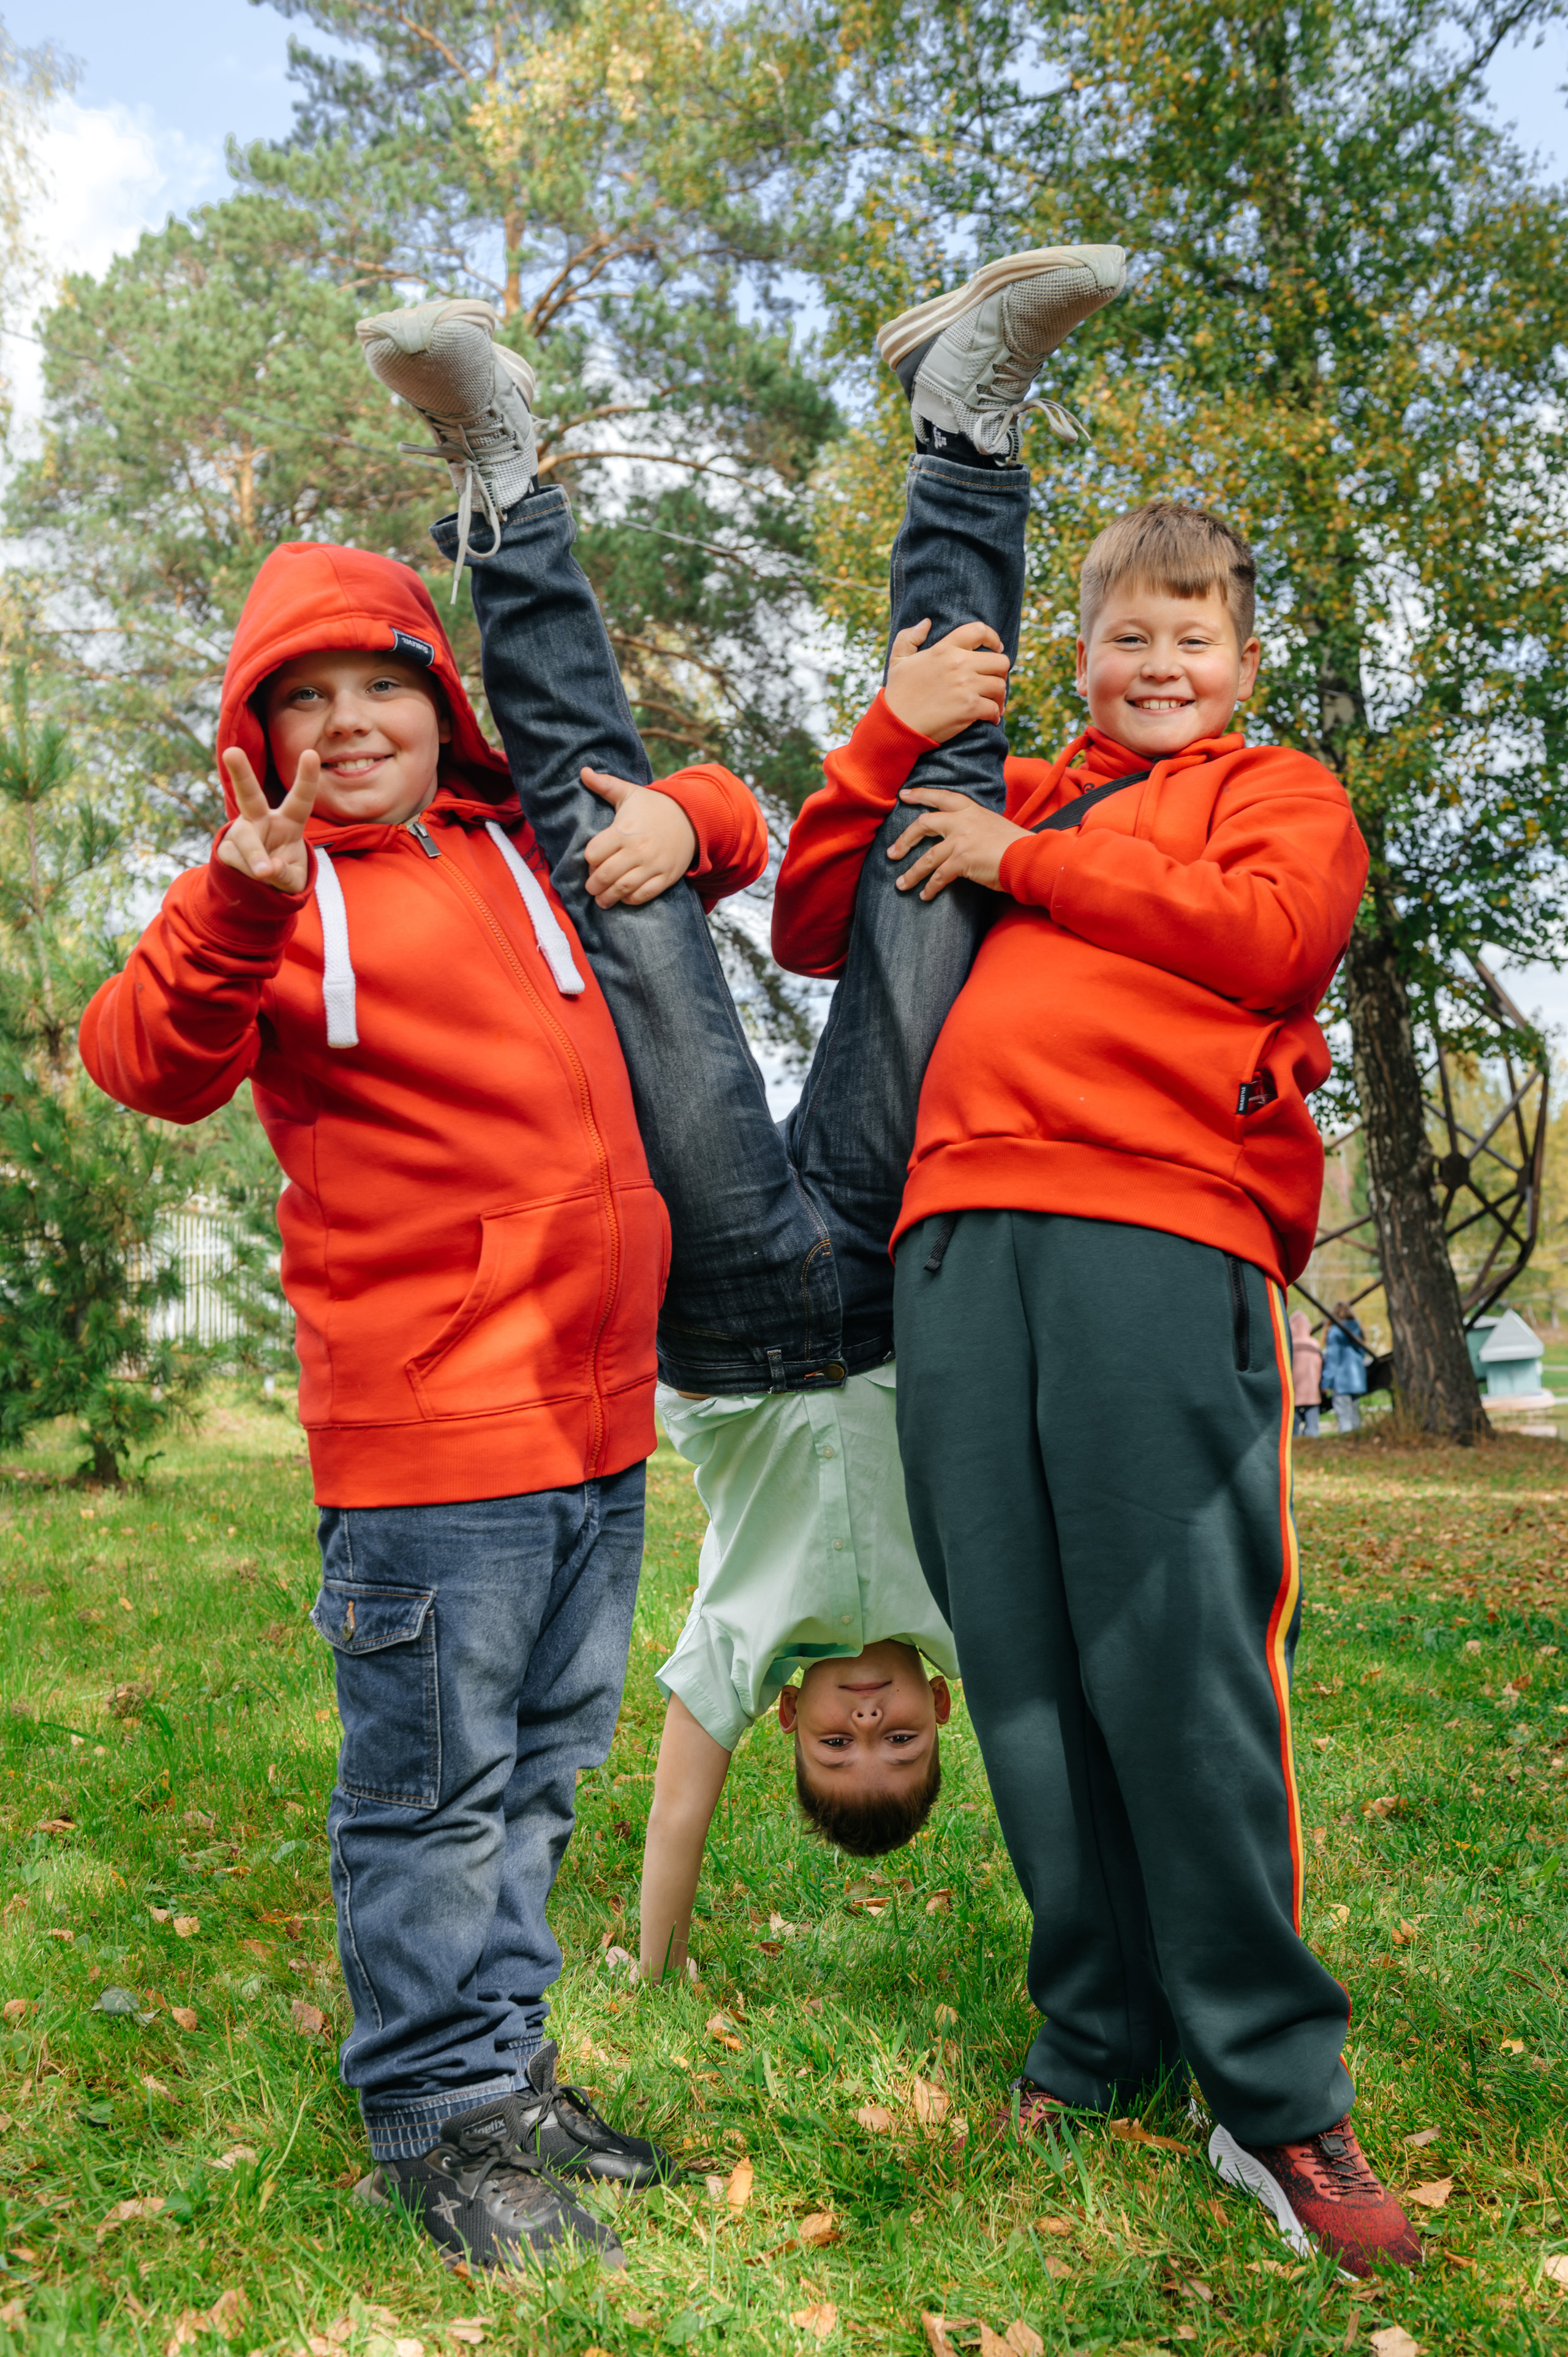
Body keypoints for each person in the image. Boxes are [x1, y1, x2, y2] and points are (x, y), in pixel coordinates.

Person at [77, 303, 778, 2272]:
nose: (343, 727)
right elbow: (138, 1058)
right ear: (258, 742)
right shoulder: (265, 904)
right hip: (427, 1437)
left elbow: (713, 820)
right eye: (296, 705)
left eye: (373, 687)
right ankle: (431, 2117)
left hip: (586, 1412)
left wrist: (689, 819)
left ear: (432, 700)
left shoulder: (519, 851)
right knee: (433, 1791)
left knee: (543, 1777)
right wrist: (236, 900)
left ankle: (504, 2061)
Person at [356, 271, 1134, 1986]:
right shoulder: (972, 1627)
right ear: (942, 1717)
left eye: (839, 1749)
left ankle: (502, 487)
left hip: (722, 1306)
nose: (868, 1725)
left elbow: (677, 1812)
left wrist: (650, 1964)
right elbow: (1053, 1772)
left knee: (622, 879)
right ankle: (966, 438)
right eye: (900, 1746)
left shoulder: (736, 1646)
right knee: (946, 848)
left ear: (790, 1721)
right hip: (886, 1261)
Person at [771, 249, 1422, 2279]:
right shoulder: (1018, 778)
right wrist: (902, 734)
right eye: (1126, 633)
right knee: (1034, 1673)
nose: (1157, 663)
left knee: (1175, 1660)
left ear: (1240, 654)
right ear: (1087, 647)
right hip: (961, 1240)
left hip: (1160, 1230)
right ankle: (1100, 2023)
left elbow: (1269, 945)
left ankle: (1276, 2098)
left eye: (1191, 635)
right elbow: (813, 917)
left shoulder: (1276, 796)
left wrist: (1034, 864)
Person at [1322, 1302, 1368, 1432]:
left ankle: (1348, 1444)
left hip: (1342, 1381)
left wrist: (1326, 1383)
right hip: (1357, 1380)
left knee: (1344, 1417)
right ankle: (1357, 1443)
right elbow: (1362, 1353)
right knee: (1354, 1416)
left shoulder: (1335, 1332)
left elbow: (1333, 1360)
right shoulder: (1357, 1330)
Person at [1291, 1309, 1325, 1439]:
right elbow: (1320, 1366)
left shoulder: (1289, 1345)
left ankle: (1296, 1448)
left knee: (1293, 1427)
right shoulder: (1314, 1345)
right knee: (1313, 1427)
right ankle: (1313, 1447)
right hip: (1312, 1390)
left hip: (1294, 1391)